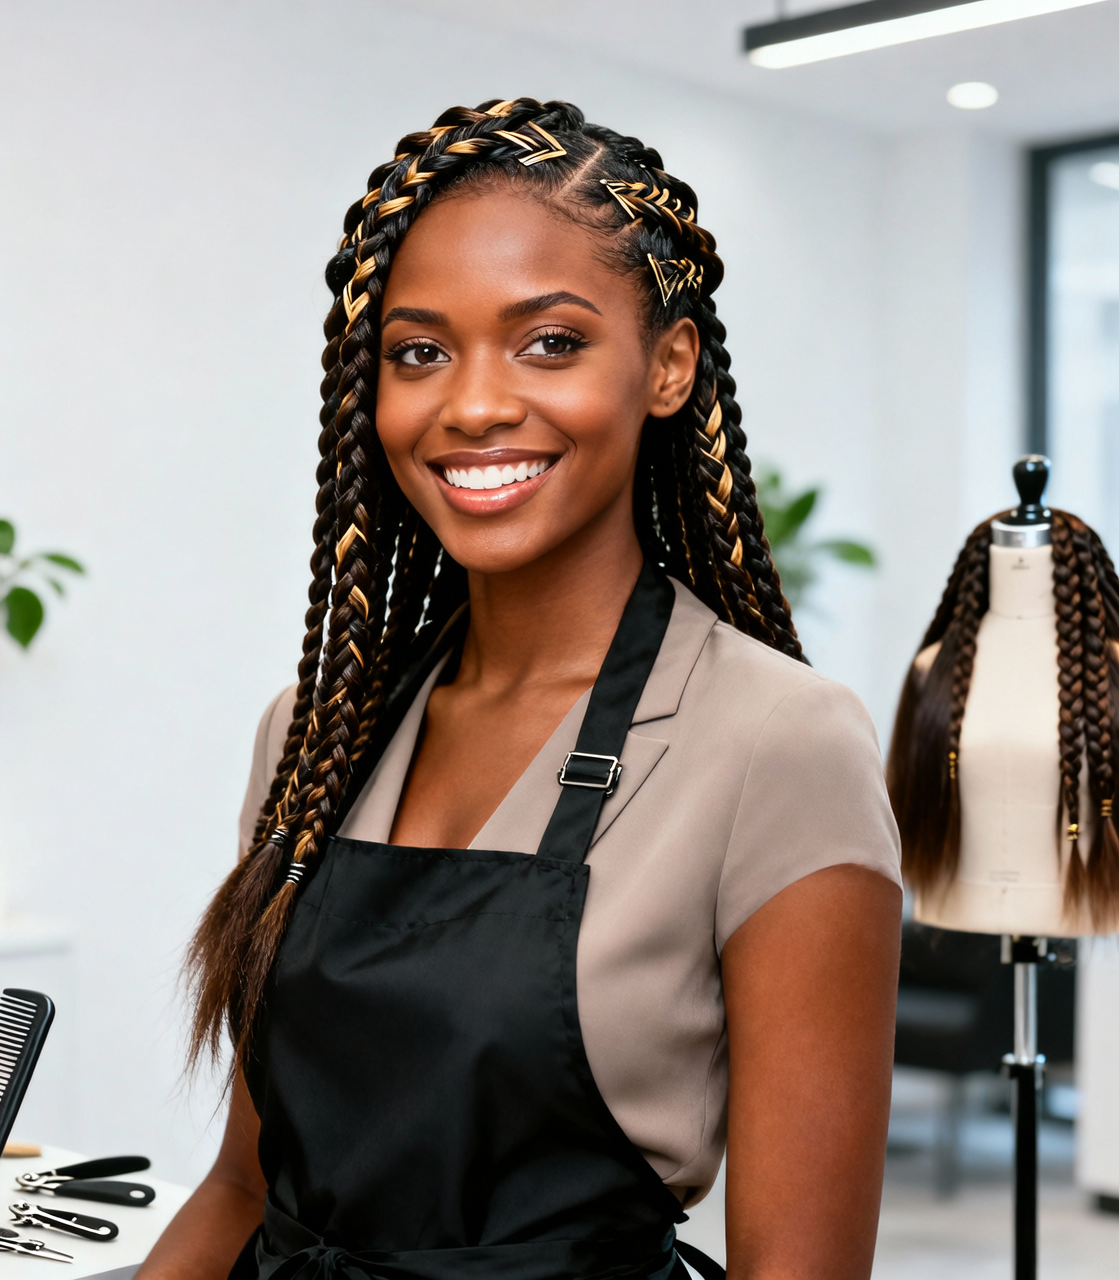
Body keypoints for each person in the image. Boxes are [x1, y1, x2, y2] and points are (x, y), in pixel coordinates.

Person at [138, 98, 901, 1280]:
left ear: (667, 366)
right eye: (420, 350)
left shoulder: (777, 743)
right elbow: (243, 1183)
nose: (474, 402)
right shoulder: (313, 733)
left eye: (549, 341)